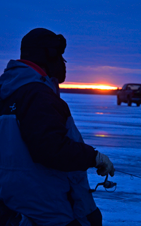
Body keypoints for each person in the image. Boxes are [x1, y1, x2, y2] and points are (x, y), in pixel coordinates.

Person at [0, 28, 115, 226]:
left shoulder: (7, 91)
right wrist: (93, 157)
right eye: (60, 56)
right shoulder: (38, 96)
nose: (63, 63)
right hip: (47, 208)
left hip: (14, 205)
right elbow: (50, 148)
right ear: (48, 55)